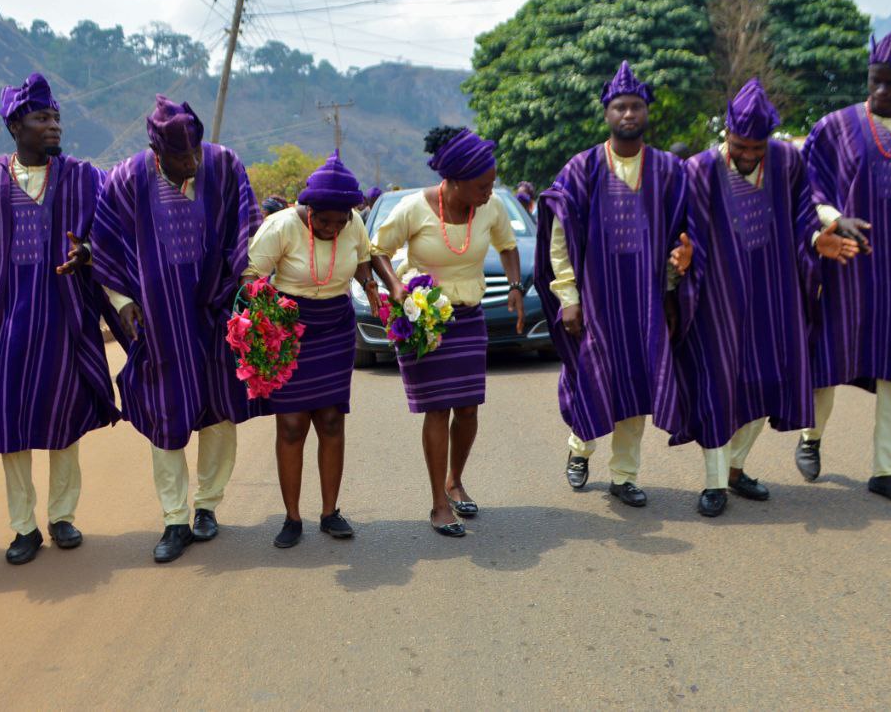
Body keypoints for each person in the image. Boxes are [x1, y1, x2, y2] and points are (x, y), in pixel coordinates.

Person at [0, 73, 120, 565]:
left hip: (64, 317)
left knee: (63, 420)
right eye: (41, 118)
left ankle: (62, 516)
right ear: (14, 125)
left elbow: (104, 237)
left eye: (56, 117)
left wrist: (88, 253)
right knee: (11, 424)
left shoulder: (84, 178)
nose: (53, 126)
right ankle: (23, 526)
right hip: (5, 322)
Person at [674, 79, 858, 517]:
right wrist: (681, 259)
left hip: (776, 292)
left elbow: (801, 217)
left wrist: (816, 240)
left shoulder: (789, 160)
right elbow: (689, 231)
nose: (750, 155)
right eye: (741, 145)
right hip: (718, 297)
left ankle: (736, 468)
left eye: (758, 146)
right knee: (719, 387)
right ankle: (714, 482)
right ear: (727, 135)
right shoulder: (700, 169)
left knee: (769, 379)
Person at [90, 94, 262, 563]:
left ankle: (207, 506)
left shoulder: (224, 166)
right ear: (157, 153)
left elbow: (249, 228)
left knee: (221, 407)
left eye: (195, 152)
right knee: (166, 413)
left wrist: (247, 292)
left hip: (218, 312)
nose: (191, 162)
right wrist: (123, 303)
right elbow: (103, 243)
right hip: (159, 317)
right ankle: (173, 518)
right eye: (180, 156)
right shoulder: (125, 179)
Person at [796, 27, 891, 505]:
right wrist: (833, 219)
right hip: (846, 270)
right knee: (828, 360)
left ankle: (885, 470)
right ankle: (810, 437)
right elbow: (811, 189)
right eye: (874, 80)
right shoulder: (835, 127)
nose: (881, 89)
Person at [535, 61, 693, 508]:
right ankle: (579, 448)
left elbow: (683, 232)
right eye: (620, 106)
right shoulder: (581, 167)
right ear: (607, 112)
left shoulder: (667, 169)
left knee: (638, 385)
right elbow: (559, 239)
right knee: (591, 379)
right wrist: (568, 297)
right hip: (596, 301)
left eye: (636, 106)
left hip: (646, 300)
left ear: (646, 112)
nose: (628, 114)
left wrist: (672, 287)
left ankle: (625, 476)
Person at [371, 126, 524, 537]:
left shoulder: (489, 209)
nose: (489, 192)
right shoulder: (413, 208)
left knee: (469, 406)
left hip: (470, 316)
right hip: (426, 321)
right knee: (437, 408)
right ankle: (439, 503)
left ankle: (455, 480)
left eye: (492, 184)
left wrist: (514, 287)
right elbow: (378, 250)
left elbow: (509, 246)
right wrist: (396, 286)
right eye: (482, 185)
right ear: (453, 181)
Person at [244, 150, 380, 548]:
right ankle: (291, 518)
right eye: (324, 221)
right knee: (290, 425)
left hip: (335, 326)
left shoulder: (351, 224)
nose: (333, 229)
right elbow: (251, 275)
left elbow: (362, 259)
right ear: (308, 209)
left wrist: (369, 283)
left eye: (340, 222)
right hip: (288, 327)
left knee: (332, 419)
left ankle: (330, 512)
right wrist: (264, 315)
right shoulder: (280, 226)